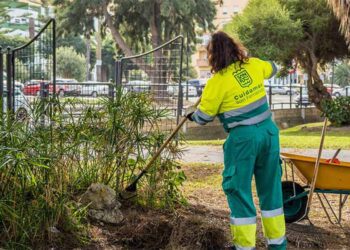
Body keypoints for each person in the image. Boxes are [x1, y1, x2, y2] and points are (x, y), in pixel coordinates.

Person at [187, 31, 286, 250]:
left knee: (238, 190)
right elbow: (274, 67)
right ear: (234, 48)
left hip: (243, 140)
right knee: (271, 190)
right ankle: (278, 245)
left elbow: (203, 117)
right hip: (269, 133)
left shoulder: (217, 83)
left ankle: (244, 247)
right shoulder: (253, 65)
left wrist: (190, 114)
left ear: (213, 56)